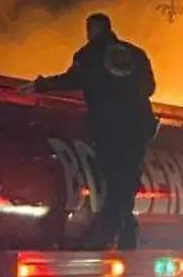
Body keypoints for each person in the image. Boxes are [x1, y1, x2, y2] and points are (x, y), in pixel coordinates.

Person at [21, 13, 158, 250]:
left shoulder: (88, 55)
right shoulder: (135, 54)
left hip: (109, 128)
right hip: (138, 126)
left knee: (113, 181)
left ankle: (112, 234)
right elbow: (150, 87)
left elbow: (73, 79)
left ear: (91, 30)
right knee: (126, 181)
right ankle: (126, 234)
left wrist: (42, 85)